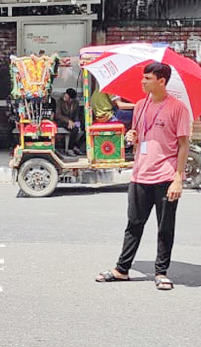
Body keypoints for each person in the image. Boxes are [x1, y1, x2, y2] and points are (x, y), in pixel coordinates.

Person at [95, 62, 190, 291]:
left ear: (161, 81)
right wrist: (133, 136)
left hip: (165, 176)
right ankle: (122, 269)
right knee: (133, 224)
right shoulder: (140, 106)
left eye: (147, 78)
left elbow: (183, 145)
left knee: (165, 227)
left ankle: (161, 272)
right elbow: (139, 140)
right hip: (140, 175)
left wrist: (178, 178)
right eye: (143, 78)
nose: (142, 82)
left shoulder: (178, 108)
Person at [55, 88, 81, 155]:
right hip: (62, 121)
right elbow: (58, 115)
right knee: (74, 129)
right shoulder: (60, 101)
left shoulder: (75, 103)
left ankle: (76, 146)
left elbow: (76, 115)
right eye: (65, 95)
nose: (65, 97)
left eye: (67, 97)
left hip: (71, 122)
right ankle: (70, 149)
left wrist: (77, 122)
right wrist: (68, 121)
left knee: (80, 128)